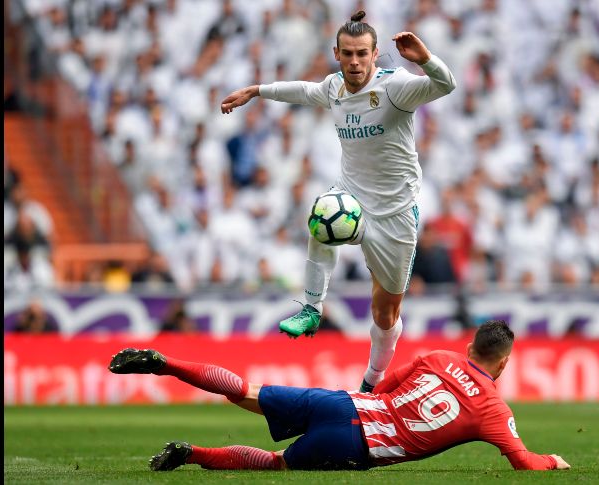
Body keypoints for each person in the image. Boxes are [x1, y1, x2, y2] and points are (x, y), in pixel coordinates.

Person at [220, 10, 457, 393]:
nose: (354, 61)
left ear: (375, 54)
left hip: (395, 214)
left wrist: (425, 58)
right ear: (336, 52)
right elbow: (302, 91)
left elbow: (446, 84)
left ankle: (373, 379)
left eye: (362, 53)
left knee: (385, 312)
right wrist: (256, 91)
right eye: (347, 53)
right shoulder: (334, 88)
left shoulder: (396, 86)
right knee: (323, 216)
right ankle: (312, 309)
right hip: (352, 197)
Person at [107, 320, 570, 472]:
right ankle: (191, 454)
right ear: (504, 363)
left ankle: (164, 362)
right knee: (276, 464)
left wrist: (371, 397)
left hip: (347, 403)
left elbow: (389, 382)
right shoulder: (494, 409)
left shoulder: (440, 356)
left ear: (471, 347)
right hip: (357, 444)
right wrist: (552, 460)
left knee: (245, 392)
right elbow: (523, 462)